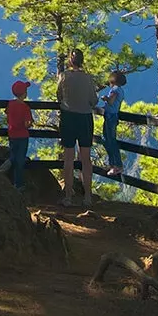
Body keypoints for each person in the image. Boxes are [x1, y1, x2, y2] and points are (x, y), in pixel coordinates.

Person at [56, 48, 99, 206]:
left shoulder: (64, 76)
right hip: (85, 119)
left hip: (68, 118)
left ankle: (68, 196)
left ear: (70, 61)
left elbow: (58, 95)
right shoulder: (88, 78)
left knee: (68, 158)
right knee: (86, 159)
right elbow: (94, 101)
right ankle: (87, 197)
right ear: (82, 61)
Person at [5, 79, 32, 190]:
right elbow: (27, 124)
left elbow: (7, 113)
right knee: (20, 160)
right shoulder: (25, 108)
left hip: (12, 134)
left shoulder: (10, 104)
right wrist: (29, 124)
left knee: (14, 153)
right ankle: (18, 184)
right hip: (22, 136)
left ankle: (9, 161)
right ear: (25, 94)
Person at [100, 70, 127, 173]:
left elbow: (111, 101)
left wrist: (105, 98)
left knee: (109, 140)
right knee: (107, 139)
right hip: (113, 115)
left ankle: (117, 165)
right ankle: (112, 164)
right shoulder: (121, 90)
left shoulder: (114, 90)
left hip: (110, 116)